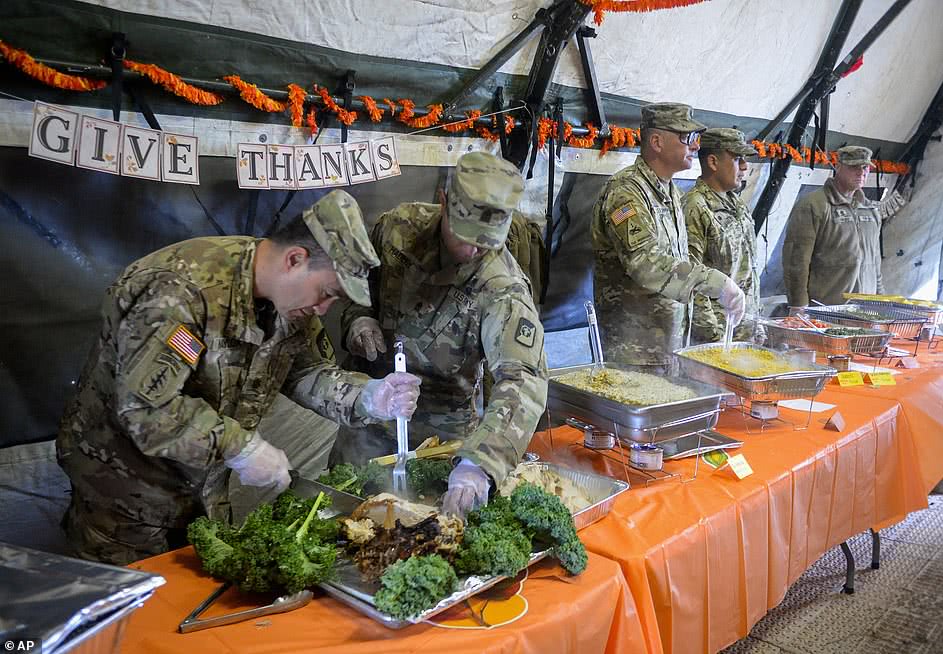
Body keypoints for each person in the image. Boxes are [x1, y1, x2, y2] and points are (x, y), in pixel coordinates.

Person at [56, 190, 421, 565]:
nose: (324, 309)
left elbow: (307, 371)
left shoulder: (290, 305)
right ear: (295, 259)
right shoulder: (181, 289)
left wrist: (367, 396)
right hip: (123, 499)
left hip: (204, 496)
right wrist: (239, 447)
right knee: (132, 618)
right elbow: (147, 410)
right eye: (327, 293)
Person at [336, 151, 548, 517]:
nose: (472, 251)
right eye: (465, 237)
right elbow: (357, 289)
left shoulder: (504, 287)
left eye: (486, 243)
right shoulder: (397, 229)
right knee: (345, 519)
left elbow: (523, 379)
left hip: (441, 440)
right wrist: (358, 320)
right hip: (366, 417)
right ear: (443, 200)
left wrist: (479, 464)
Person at [591, 103, 746, 370]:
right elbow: (644, 261)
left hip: (667, 345)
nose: (696, 147)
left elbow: (678, 259)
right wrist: (713, 282)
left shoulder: (670, 192)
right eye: (687, 139)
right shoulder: (625, 193)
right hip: (634, 351)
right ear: (657, 142)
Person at [683, 128, 762, 343]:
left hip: (745, 332)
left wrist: (756, 326)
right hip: (718, 338)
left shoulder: (736, 204)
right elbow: (691, 278)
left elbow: (748, 271)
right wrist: (714, 340)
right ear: (713, 162)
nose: (745, 166)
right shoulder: (695, 206)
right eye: (737, 159)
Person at [782, 145, 884, 310]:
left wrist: (880, 301)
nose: (861, 172)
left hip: (865, 311)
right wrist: (798, 306)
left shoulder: (871, 211)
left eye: (865, 167)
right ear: (838, 167)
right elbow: (796, 261)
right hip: (826, 310)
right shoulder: (814, 205)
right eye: (853, 167)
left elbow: (875, 263)